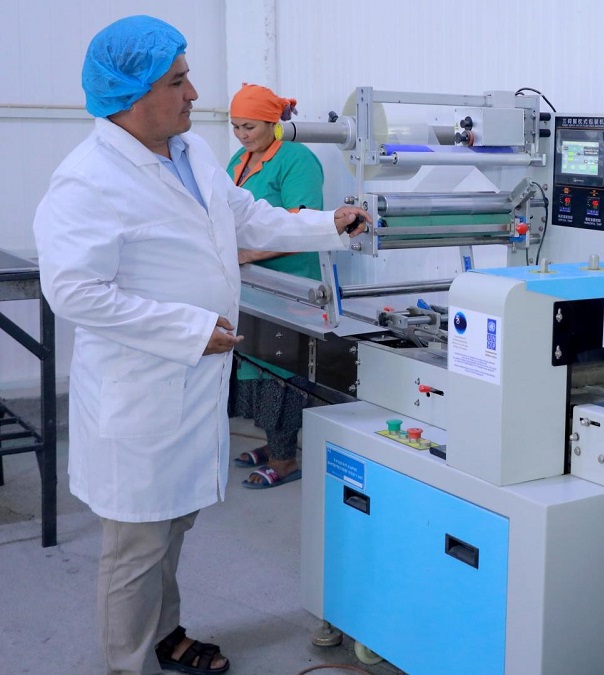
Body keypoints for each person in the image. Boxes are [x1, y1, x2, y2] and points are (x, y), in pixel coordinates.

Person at [32, 16, 369, 675]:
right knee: (136, 544)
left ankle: (167, 634)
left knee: (172, 525)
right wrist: (186, 329)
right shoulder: (88, 180)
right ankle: (125, 662)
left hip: (188, 388)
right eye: (178, 81)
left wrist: (331, 223)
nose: (193, 94)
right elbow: (74, 292)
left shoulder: (188, 155)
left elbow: (248, 216)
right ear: (132, 96)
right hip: (142, 392)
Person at [225, 83, 324, 489]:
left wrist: (246, 254)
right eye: (236, 127)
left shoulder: (298, 160)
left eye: (249, 126)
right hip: (250, 285)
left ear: (272, 122)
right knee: (253, 365)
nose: (242, 135)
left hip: (290, 284)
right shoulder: (240, 160)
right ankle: (271, 443)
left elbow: (303, 222)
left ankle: (285, 459)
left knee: (280, 372)